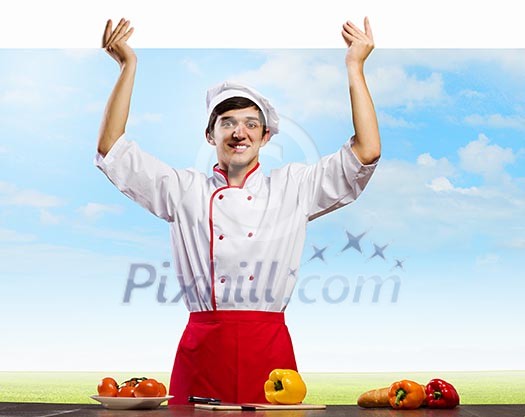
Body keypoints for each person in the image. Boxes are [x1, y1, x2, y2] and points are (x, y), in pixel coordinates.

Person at [96, 17, 381, 405]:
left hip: (270, 353)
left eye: (250, 123)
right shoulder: (183, 189)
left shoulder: (293, 186)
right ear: (210, 135)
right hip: (202, 350)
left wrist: (355, 67)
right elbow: (111, 148)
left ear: (266, 137)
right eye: (227, 122)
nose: (238, 132)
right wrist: (127, 66)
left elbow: (366, 152)